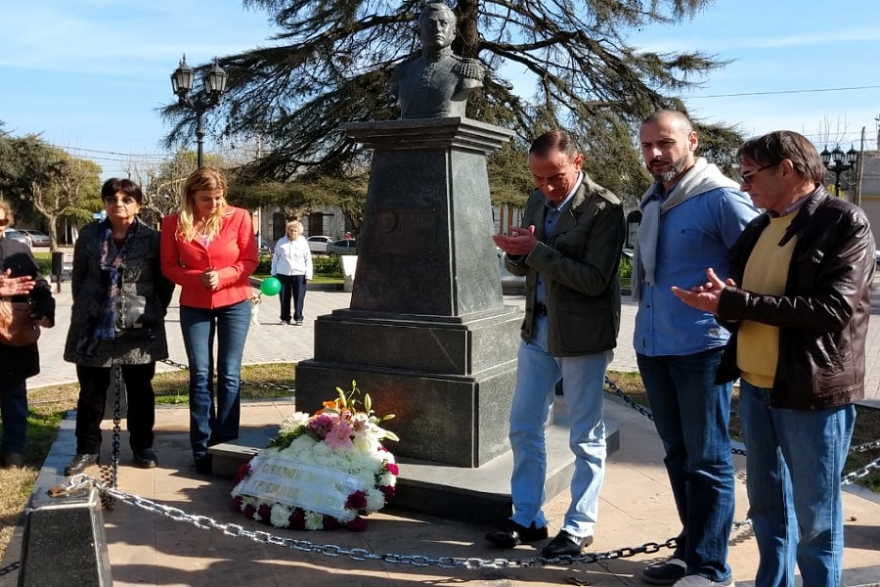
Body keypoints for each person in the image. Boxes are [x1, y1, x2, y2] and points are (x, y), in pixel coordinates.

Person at [672, 131, 876, 587]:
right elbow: (742, 304)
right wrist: (720, 303)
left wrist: (738, 303)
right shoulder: (760, 227)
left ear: (786, 169)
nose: (744, 186)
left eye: (749, 175)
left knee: (816, 517)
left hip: (812, 393)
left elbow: (832, 310)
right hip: (756, 386)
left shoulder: (845, 222)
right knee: (766, 507)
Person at [632, 110, 758, 587]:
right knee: (677, 454)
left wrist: (730, 304)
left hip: (702, 347)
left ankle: (710, 567)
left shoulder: (720, 197)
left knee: (708, 459)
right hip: (652, 344)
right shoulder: (655, 199)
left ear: (692, 141)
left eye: (664, 143)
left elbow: (759, 264)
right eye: (647, 146)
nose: (655, 154)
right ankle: (692, 550)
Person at [486, 130, 625, 558]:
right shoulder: (536, 200)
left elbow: (595, 279)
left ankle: (580, 525)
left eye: (556, 178)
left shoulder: (605, 208)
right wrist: (514, 253)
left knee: (585, 436)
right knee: (524, 426)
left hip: (582, 336)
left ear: (577, 162)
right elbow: (529, 263)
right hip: (536, 331)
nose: (546, 188)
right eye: (538, 178)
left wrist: (534, 251)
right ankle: (527, 516)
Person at [62, 179, 174, 475]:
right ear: (104, 203)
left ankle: (141, 446)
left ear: (138, 204)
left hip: (139, 323)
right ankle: (86, 449)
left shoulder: (153, 238)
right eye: (112, 199)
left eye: (126, 199)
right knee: (91, 391)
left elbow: (164, 283)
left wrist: (151, 309)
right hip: (94, 325)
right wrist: (93, 311)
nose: (118, 204)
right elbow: (79, 280)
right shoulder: (88, 235)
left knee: (140, 390)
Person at [161, 167, 258, 474]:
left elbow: (249, 260)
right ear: (191, 196)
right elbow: (168, 267)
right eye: (206, 199)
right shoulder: (173, 223)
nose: (214, 204)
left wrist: (225, 275)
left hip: (235, 303)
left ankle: (228, 445)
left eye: (218, 197)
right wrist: (197, 278)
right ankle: (202, 449)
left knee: (230, 375)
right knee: (201, 376)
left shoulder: (240, 217)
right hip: (195, 304)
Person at [0, 201, 55, 469]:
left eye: (0, 222)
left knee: (14, 395)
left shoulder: (18, 250)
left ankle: (13, 450)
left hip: (13, 334)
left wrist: (45, 309)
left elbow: (39, 286)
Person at [390, 2, 484, 119]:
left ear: (453, 33)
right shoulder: (403, 72)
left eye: (443, 23)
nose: (437, 29)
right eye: (430, 24)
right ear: (419, 33)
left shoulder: (466, 70)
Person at [271, 220, 313, 326]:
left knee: (299, 297)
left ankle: (299, 318)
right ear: (287, 231)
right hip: (283, 273)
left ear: (299, 232)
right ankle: (285, 318)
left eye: (295, 231)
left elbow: (308, 259)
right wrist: (273, 272)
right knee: (284, 297)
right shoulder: (281, 242)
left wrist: (308, 274)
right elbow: (276, 258)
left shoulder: (303, 243)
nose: (292, 232)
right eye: (290, 230)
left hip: (299, 274)